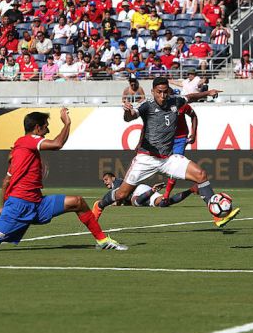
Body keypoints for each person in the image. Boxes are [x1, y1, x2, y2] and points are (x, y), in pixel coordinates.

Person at [0, 109, 127, 251]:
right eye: (45, 127)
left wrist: (3, 205)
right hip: (19, 207)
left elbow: (6, 181)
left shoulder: (21, 147)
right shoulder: (29, 141)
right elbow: (57, 144)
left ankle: (102, 240)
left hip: (36, 203)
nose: (47, 130)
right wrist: (67, 123)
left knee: (78, 202)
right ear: (37, 128)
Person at [92, 77, 239, 228]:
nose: (162, 96)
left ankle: (216, 214)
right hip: (146, 158)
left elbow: (191, 97)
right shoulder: (146, 106)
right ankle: (100, 205)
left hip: (168, 159)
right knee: (122, 194)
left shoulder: (175, 101)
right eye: (159, 92)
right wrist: (127, 112)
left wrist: (208, 92)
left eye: (165, 92)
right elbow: (131, 117)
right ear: (152, 92)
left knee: (200, 175)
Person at [163, 96, 197, 200]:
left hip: (180, 139)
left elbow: (194, 116)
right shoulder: (161, 106)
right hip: (166, 138)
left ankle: (166, 195)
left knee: (175, 166)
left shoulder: (183, 105)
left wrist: (194, 133)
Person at [102, 173, 197, 208]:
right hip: (143, 192)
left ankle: (153, 190)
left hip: (139, 191)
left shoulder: (117, 182)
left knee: (136, 202)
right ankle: (192, 189)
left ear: (113, 178)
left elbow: (119, 198)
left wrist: (115, 203)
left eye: (106, 179)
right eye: (104, 181)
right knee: (164, 202)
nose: (105, 182)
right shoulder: (119, 182)